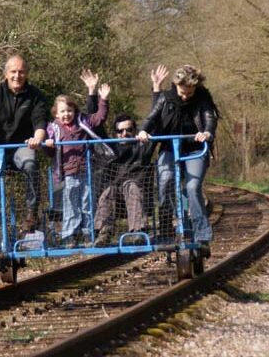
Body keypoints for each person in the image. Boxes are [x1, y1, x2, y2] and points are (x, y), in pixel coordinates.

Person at [0, 54, 47, 244]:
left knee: (30, 164)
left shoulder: (36, 95)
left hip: (21, 147)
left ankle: (31, 215)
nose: (17, 76)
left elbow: (40, 123)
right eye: (13, 72)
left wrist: (37, 140)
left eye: (21, 72)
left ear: (26, 73)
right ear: (6, 74)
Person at [137, 65, 218, 243]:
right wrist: (143, 131)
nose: (185, 96)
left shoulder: (203, 97)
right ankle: (167, 226)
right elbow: (152, 117)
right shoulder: (166, 98)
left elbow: (209, 119)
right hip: (169, 148)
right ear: (176, 85)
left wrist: (206, 133)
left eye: (189, 93)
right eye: (182, 92)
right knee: (165, 181)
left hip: (195, 148)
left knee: (192, 187)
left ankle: (201, 232)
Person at [44, 83, 110, 245]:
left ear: (74, 111)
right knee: (71, 203)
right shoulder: (53, 129)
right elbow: (49, 152)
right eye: (62, 111)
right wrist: (48, 144)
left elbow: (99, 117)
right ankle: (70, 234)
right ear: (56, 113)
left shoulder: (82, 122)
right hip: (67, 172)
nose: (66, 114)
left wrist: (104, 100)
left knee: (87, 202)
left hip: (86, 170)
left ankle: (88, 232)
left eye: (69, 111)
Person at [93, 113, 154, 243]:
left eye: (129, 130)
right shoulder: (110, 148)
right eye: (120, 131)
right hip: (116, 199)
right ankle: (104, 232)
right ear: (115, 133)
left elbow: (153, 122)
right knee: (109, 190)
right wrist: (95, 96)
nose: (124, 133)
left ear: (135, 131)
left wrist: (156, 92)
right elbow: (96, 126)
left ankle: (139, 232)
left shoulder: (142, 146)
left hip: (136, 195)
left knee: (130, 185)